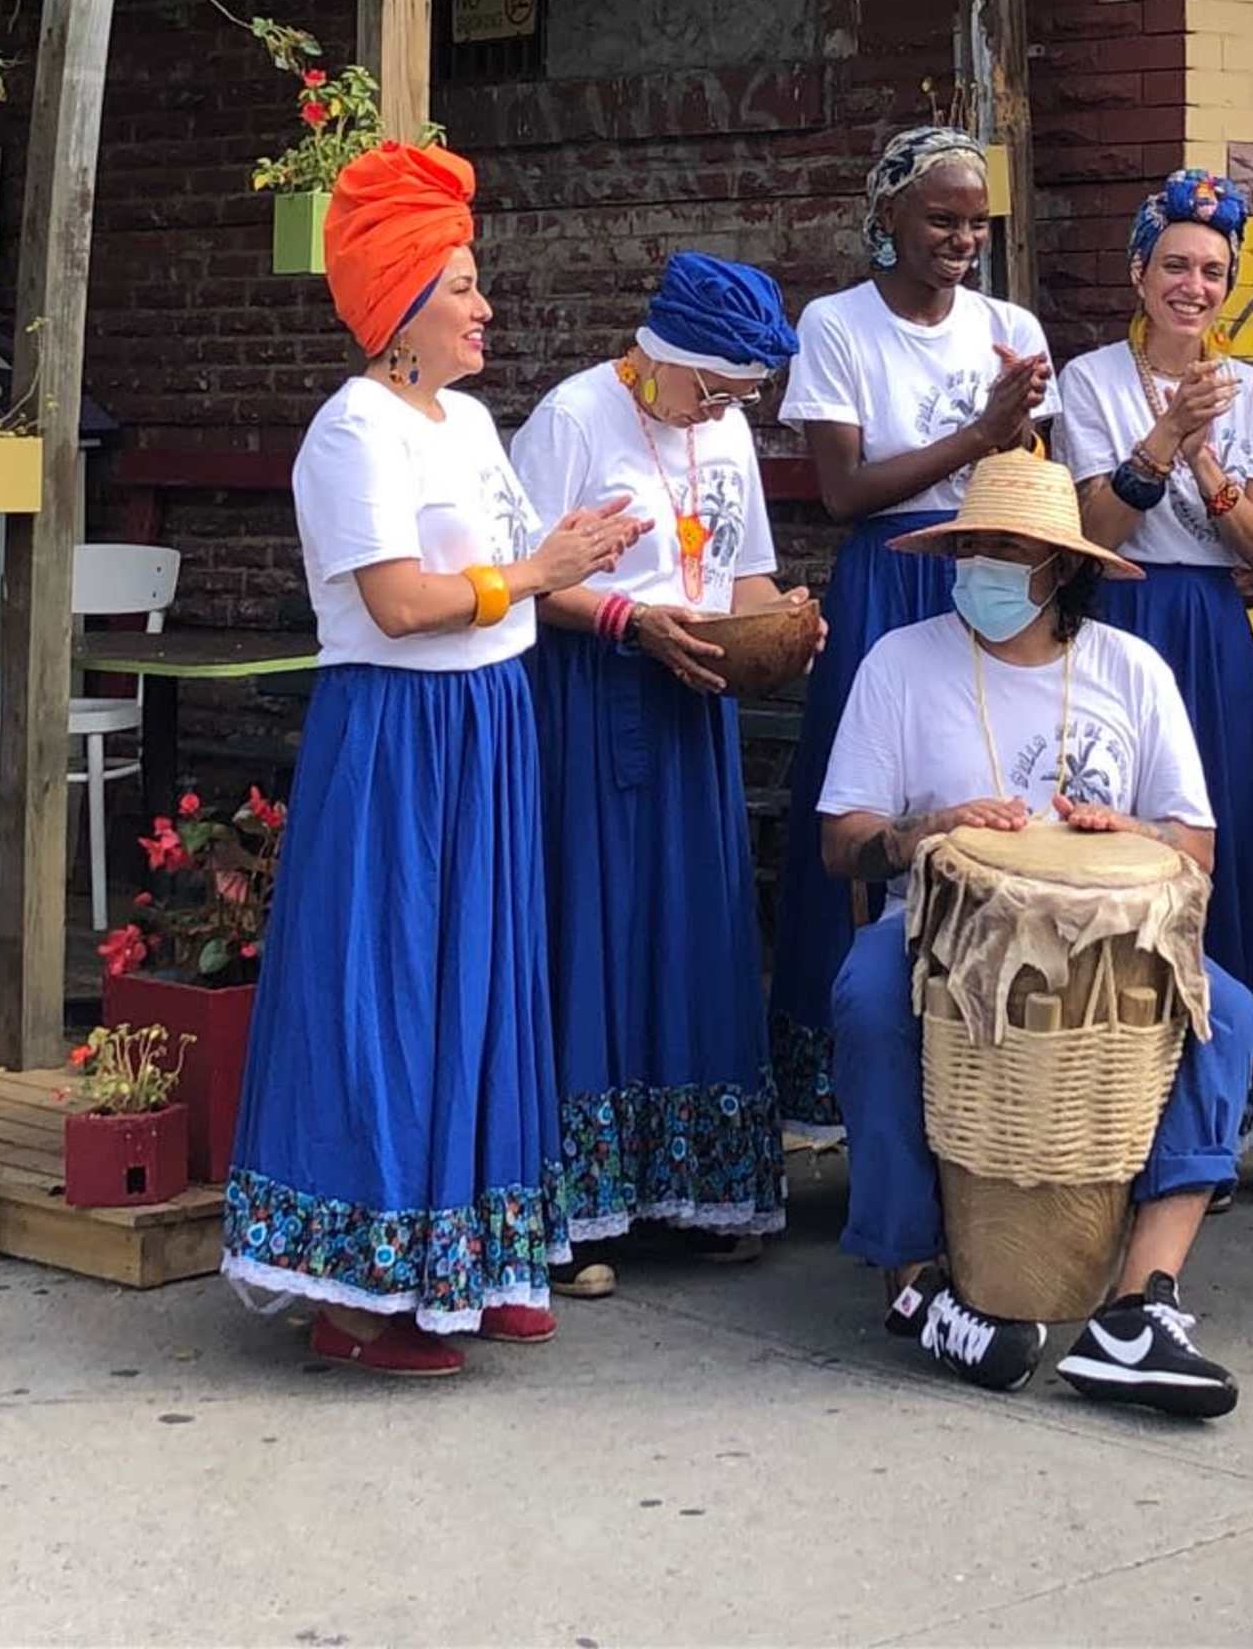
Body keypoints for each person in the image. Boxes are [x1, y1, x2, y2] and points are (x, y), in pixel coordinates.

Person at [222, 140, 641, 1378]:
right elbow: (403, 603)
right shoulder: (353, 433)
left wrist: (563, 551)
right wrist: (534, 574)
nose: (484, 306)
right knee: (391, 989)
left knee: (486, 983)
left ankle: (474, 1256)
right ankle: (358, 1296)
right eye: (460, 285)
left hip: (489, 723)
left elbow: (506, 567)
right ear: (400, 308)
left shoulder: (464, 420)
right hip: (401, 734)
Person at [816, 450, 1253, 1418]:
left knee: (1231, 1010)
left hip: (1109, 940)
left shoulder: (1130, 670)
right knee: (870, 999)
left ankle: (1140, 1305)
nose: (984, 567)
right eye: (972, 546)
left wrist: (1132, 833)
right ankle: (917, 1281)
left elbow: (1197, 846)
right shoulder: (902, 662)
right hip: (937, 932)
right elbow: (840, 844)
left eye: (1008, 550)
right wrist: (919, 833)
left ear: (1063, 567)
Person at [513, 253, 819, 1280]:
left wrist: (782, 626)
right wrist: (627, 618)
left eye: (741, 396)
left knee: (692, 931)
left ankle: (699, 1190)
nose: (724, 410)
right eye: (714, 390)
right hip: (594, 701)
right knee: (594, 932)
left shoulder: (721, 431)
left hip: (695, 706)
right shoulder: (570, 419)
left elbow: (744, 571)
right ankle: (581, 1217)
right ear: (662, 360)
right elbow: (522, 578)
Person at [770, 126, 1053, 1132]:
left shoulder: (1009, 325)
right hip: (888, 574)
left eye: (977, 222)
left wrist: (1013, 430)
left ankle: (987, 1057)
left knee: (992, 784)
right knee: (866, 801)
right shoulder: (838, 326)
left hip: (984, 573)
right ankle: (839, 1072)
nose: (963, 238)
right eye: (941, 217)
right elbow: (843, 490)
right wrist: (978, 430)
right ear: (886, 215)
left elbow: (1026, 470)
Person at [1055, 170, 1253, 1149]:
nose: (1193, 287)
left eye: (1212, 271)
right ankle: (1110, 1077)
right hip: (1117, 610)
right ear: (1137, 271)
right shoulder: (1090, 381)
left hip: (1208, 621)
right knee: (1118, 833)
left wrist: (1209, 454)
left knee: (1226, 833)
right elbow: (1092, 522)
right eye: (1175, 265)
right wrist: (1164, 434)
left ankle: (1233, 1093)